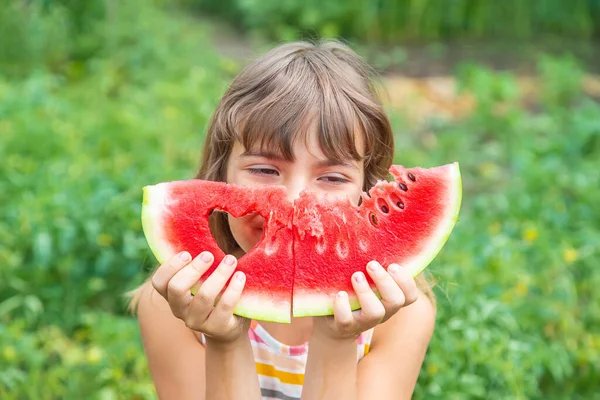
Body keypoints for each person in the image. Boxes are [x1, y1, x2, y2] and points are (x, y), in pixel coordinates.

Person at [129, 40, 436, 400]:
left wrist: (336, 340)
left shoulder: (398, 316)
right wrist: (225, 342)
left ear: (366, 192)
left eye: (332, 178)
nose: (292, 199)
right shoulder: (172, 305)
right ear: (220, 178)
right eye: (264, 169)